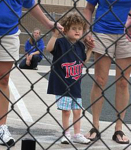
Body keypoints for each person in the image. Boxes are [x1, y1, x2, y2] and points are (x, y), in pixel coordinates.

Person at [0, 0, 63, 147]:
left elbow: (29, 2)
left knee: (3, 80)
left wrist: (47, 23)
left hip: (9, 32)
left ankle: (0, 128)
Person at [84, 0, 131, 144]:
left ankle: (118, 128)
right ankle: (95, 126)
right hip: (102, 30)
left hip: (128, 33)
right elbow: (89, 8)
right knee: (100, 80)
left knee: (123, 81)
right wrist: (87, 31)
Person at [46, 12, 92, 145]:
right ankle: (66, 134)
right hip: (62, 84)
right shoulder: (61, 42)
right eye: (74, 28)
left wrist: (89, 49)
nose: (77, 31)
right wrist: (55, 35)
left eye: (80, 28)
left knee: (77, 111)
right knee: (66, 111)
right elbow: (49, 48)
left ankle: (77, 134)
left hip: (75, 84)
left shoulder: (80, 45)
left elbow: (83, 61)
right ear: (66, 29)